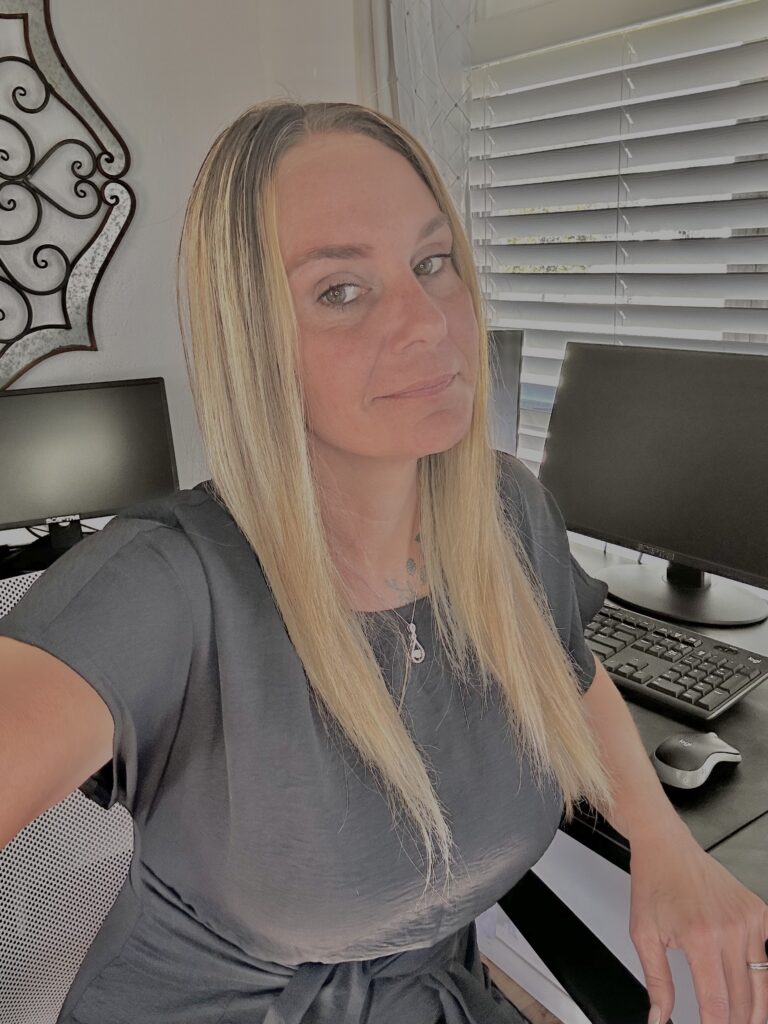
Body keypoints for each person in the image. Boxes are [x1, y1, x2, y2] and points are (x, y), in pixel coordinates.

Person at [0, 100, 765, 1024]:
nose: (429, 324)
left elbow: (568, 670)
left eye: (431, 262)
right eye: (340, 291)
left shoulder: (507, 511)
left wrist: (665, 847)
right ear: (254, 340)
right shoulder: (161, 587)